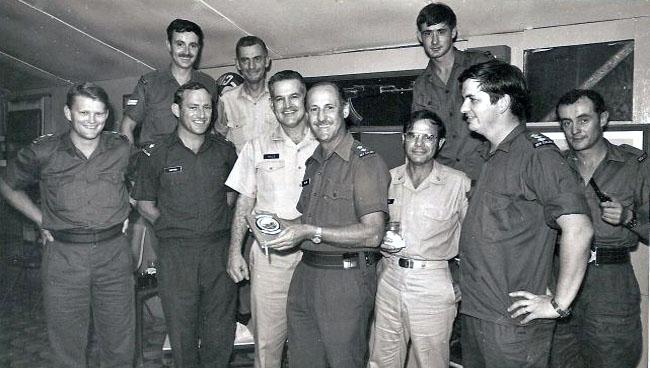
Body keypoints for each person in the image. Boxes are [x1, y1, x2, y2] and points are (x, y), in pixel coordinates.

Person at [457, 61, 594, 368]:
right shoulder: (489, 156)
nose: (464, 108)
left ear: (503, 101)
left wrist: (559, 304)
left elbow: (580, 229)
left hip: (512, 323)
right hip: (476, 313)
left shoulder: (536, 155)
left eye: (473, 99)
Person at [0, 83, 134, 367]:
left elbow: (143, 181)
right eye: (84, 112)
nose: (92, 120)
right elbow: (8, 184)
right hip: (63, 256)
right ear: (68, 113)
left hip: (113, 254)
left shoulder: (121, 148)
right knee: (67, 345)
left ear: (107, 115)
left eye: (99, 114)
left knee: (120, 344)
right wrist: (41, 219)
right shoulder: (44, 151)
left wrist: (126, 212)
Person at [264, 82, 391, 368]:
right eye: (314, 109)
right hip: (306, 274)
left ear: (345, 110)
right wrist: (275, 224)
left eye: (329, 108)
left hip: (344, 279)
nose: (321, 117)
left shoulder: (365, 163)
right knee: (303, 360)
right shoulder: (314, 163)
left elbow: (373, 233)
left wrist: (311, 232)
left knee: (343, 361)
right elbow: (307, 220)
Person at [132, 82, 237, 368]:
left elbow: (230, 198)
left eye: (206, 107)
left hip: (218, 251)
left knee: (220, 330)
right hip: (176, 255)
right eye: (193, 107)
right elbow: (144, 204)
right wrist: (174, 226)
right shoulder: (156, 153)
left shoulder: (225, 151)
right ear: (176, 110)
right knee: (182, 332)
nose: (201, 114)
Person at [225, 70, 319, 368]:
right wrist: (234, 252)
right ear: (272, 105)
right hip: (269, 259)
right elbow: (244, 200)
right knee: (267, 344)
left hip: (316, 258)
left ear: (305, 98)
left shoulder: (325, 142)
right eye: (279, 99)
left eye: (294, 96)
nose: (287, 105)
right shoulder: (256, 146)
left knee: (313, 342)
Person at [550, 89, 649, 368]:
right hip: (560, 278)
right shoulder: (555, 166)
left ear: (602, 118)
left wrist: (628, 217)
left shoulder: (634, 165)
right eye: (566, 122)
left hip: (610, 284)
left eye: (583, 120)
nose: (574, 130)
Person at [368, 110, 470, 368]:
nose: (419, 144)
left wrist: (462, 280)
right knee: (382, 358)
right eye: (413, 136)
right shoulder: (388, 179)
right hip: (390, 277)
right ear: (403, 138)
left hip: (432, 280)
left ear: (440, 143)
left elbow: (475, 239)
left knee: (430, 360)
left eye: (428, 137)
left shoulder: (458, 183)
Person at [412, 2, 494, 181]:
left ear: (454, 33)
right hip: (446, 179)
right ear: (420, 37)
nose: (434, 41)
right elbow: (420, 135)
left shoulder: (479, 64)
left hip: (486, 172)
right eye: (428, 33)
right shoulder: (421, 86)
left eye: (441, 32)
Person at [120, 18, 216, 147]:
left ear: (199, 48)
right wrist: (134, 160)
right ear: (169, 46)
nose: (187, 52)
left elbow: (211, 130)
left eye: (192, 45)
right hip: (156, 163)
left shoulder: (208, 83)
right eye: (180, 44)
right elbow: (127, 127)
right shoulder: (149, 83)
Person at [215, 36, 278, 153]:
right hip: (240, 169)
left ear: (267, 61)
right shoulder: (226, 100)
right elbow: (218, 140)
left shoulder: (279, 97)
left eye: (257, 59)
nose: (251, 66)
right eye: (245, 60)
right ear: (238, 64)